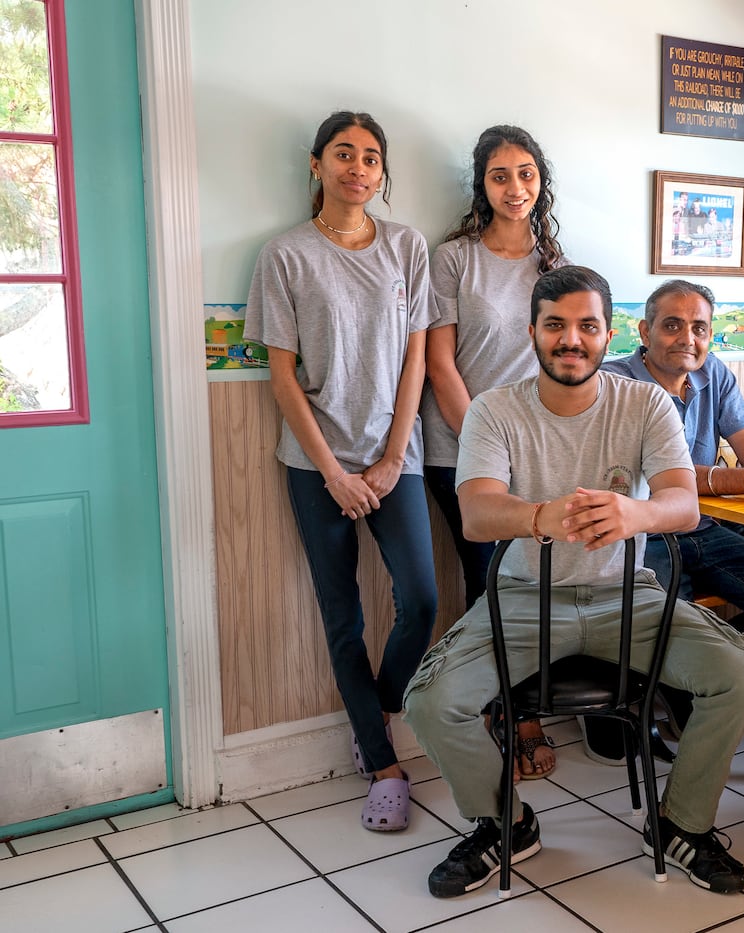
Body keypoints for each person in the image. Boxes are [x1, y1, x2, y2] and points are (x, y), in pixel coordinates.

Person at [403, 266, 744, 897]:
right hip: (523, 600)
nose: (571, 339)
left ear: (607, 334)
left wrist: (636, 514)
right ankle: (505, 824)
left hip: (631, 600)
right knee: (431, 703)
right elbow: (478, 514)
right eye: (556, 326)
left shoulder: (646, 403)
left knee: (740, 672)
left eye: (586, 326)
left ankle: (680, 824)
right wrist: (541, 515)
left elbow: (685, 505)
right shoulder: (495, 410)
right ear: (533, 333)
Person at [244, 111, 436, 833]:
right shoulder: (285, 255)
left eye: (372, 157)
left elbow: (416, 357)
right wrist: (332, 470)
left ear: (382, 174)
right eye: (344, 154)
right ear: (317, 164)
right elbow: (283, 377)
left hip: (397, 461)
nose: (359, 167)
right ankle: (385, 767)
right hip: (314, 464)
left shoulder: (407, 248)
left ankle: (373, 714)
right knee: (343, 614)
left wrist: (391, 458)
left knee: (420, 599)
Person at [421, 124, 567, 781]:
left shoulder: (555, 266)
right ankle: (509, 714)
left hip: (535, 452)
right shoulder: (453, 258)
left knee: (532, 585)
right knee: (491, 582)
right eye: (501, 175)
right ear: (482, 183)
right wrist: (487, 446)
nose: (515, 188)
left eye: (526, 174)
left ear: (541, 183)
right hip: (458, 450)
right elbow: (439, 363)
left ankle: (517, 704)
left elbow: (566, 360)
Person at [601, 280, 744, 674]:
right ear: (645, 331)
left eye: (700, 329)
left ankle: (715, 684)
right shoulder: (615, 383)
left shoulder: (715, 373)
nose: (687, 339)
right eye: (672, 325)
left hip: (703, 525)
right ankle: (690, 688)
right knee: (668, 625)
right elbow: (663, 477)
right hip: (642, 533)